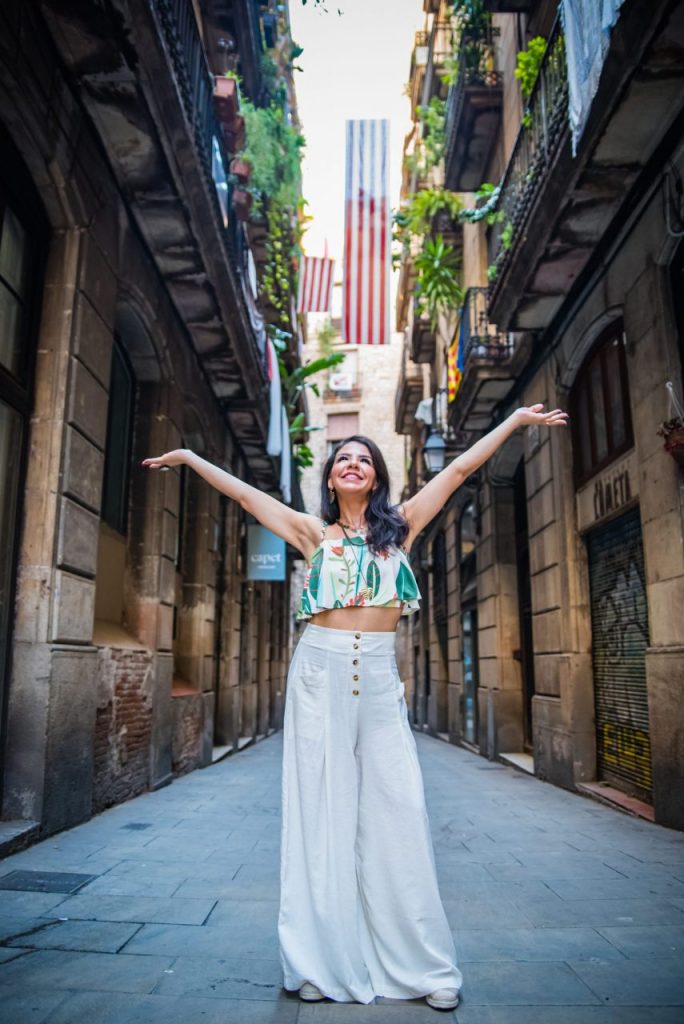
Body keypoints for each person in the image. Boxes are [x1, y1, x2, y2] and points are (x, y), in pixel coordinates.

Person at [142, 402, 568, 1010]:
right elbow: (242, 496)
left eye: (363, 459)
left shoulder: (403, 526)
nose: (352, 464)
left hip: (378, 675)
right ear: (331, 476)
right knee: (321, 810)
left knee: (399, 809)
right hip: (318, 670)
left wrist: (516, 424)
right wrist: (188, 458)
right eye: (343, 457)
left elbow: (460, 471)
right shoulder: (312, 533)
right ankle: (318, 962)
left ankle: (423, 967)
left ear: (376, 476)